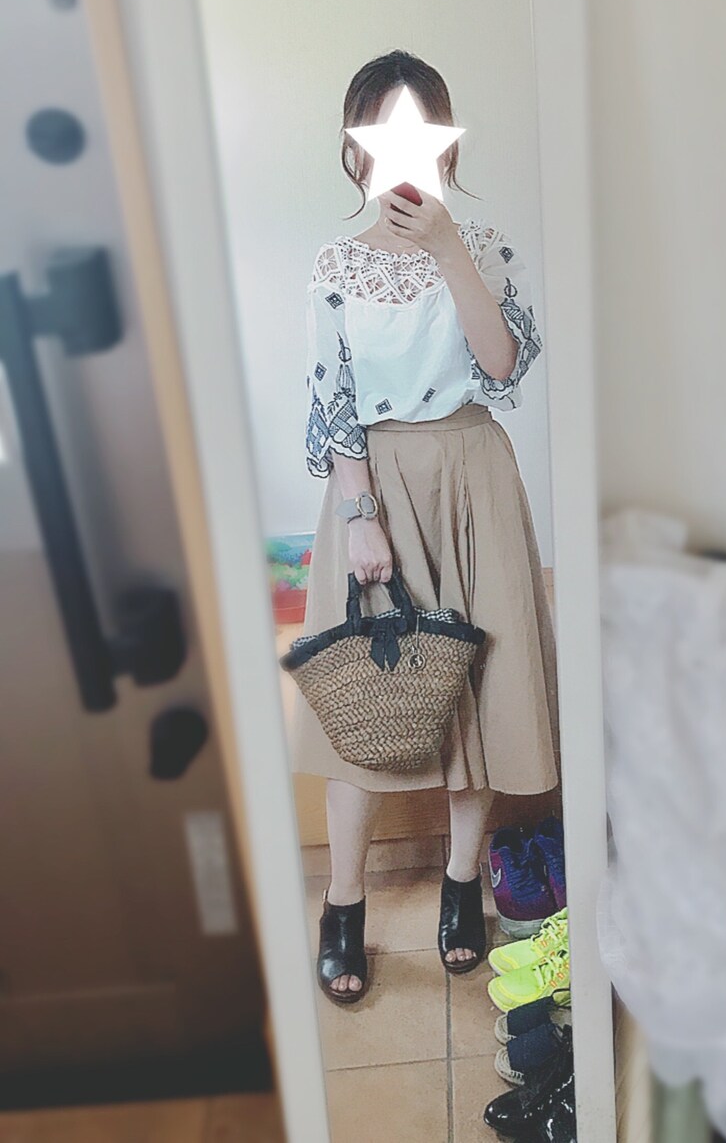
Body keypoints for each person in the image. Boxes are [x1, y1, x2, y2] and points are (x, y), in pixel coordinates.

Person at [290, 50, 559, 1004]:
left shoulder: (482, 245)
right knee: (364, 705)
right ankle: (343, 904)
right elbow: (333, 398)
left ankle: (459, 886)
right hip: (377, 485)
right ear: (355, 147)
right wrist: (359, 515)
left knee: (478, 691)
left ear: (446, 138)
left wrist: (449, 250)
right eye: (382, 131)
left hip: (473, 470)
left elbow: (503, 368)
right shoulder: (336, 263)